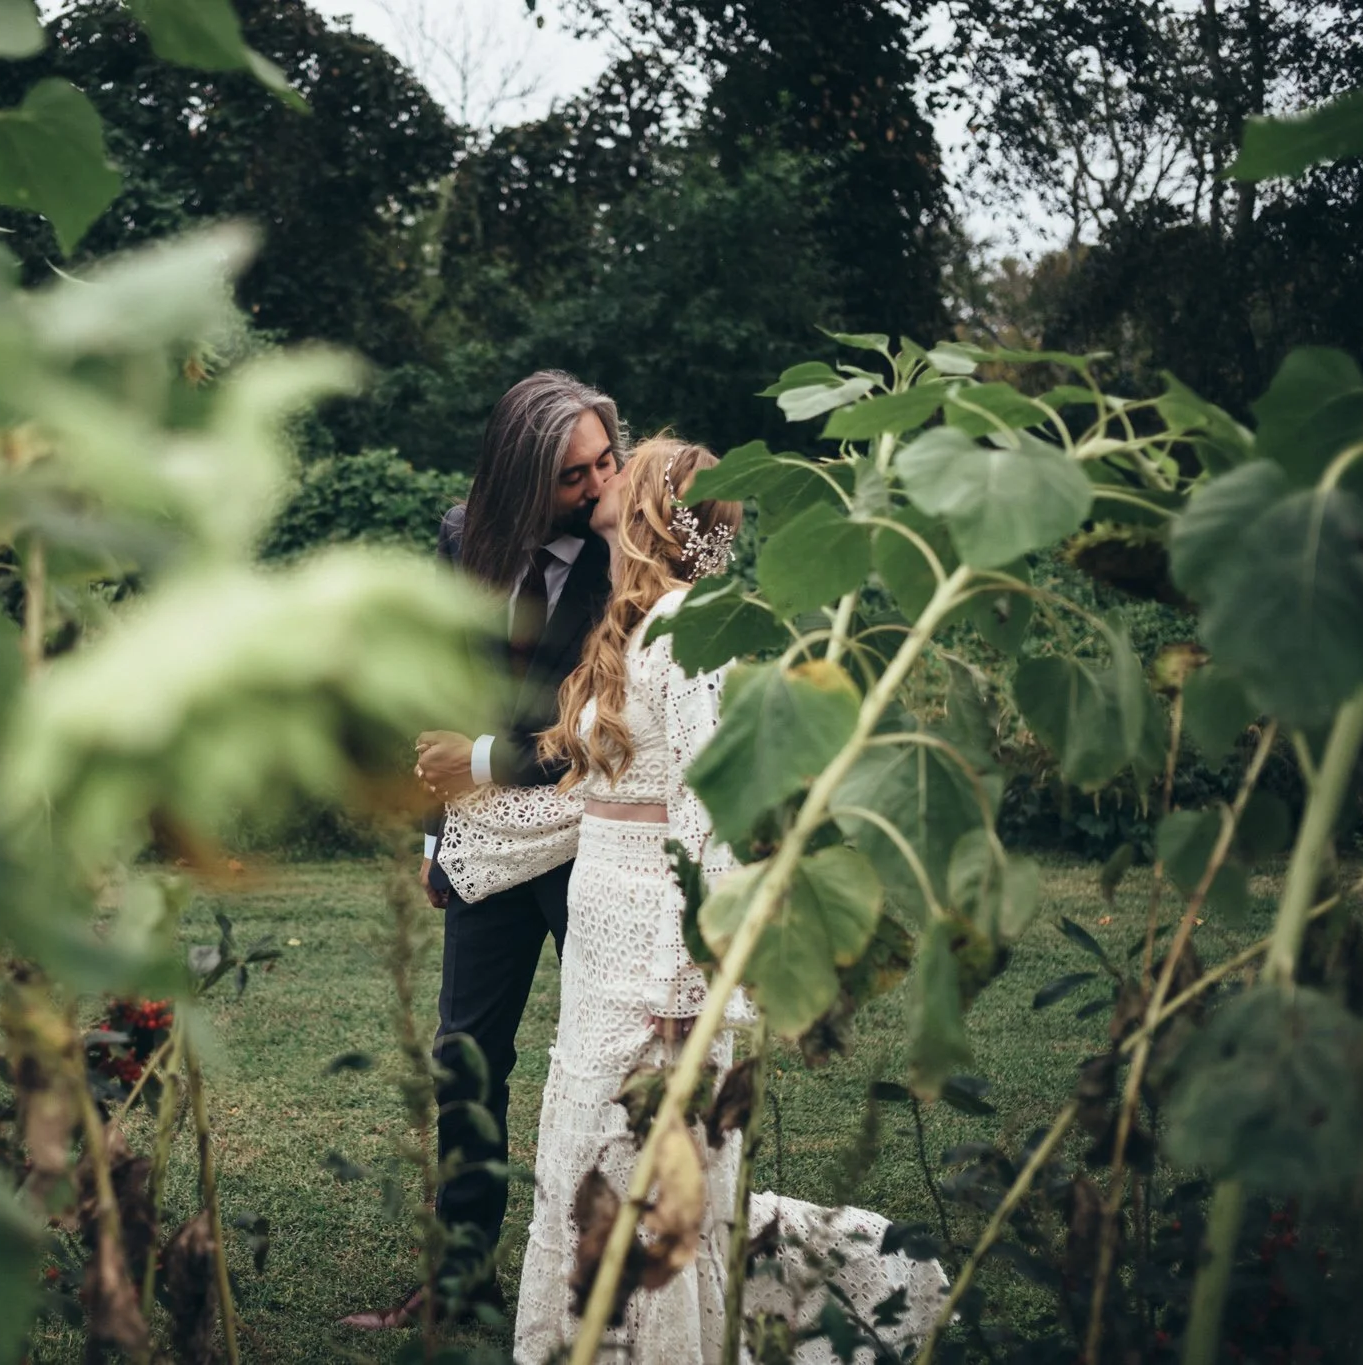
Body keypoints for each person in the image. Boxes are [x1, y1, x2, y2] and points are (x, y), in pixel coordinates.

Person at [510, 437, 947, 1363]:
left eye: (628, 467)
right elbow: (596, 796)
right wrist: (472, 842)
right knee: (586, 1148)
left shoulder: (689, 630)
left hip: (655, 944)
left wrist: (688, 985)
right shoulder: (636, 621)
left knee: (642, 1161)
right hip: (600, 935)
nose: (609, 474)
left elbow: (708, 812)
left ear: (651, 505)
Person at [341, 370, 623, 1331]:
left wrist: (478, 763)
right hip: (485, 845)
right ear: (519, 477)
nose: (598, 486)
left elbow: (609, 728)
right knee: (466, 1057)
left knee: (603, 1063)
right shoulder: (463, 538)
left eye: (606, 462)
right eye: (574, 475)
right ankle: (460, 1285)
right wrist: (439, 834)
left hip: (590, 838)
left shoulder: (629, 558)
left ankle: (605, 1290)